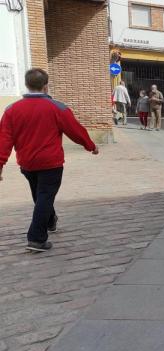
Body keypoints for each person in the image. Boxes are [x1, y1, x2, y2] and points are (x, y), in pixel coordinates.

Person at [0, 68, 99, 252]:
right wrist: (91, 146)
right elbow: (75, 131)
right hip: (50, 163)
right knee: (44, 196)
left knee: (41, 196)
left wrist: (0, 164)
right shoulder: (58, 108)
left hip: (27, 163)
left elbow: (4, 140)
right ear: (46, 86)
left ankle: (51, 220)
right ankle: (36, 239)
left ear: (26, 84)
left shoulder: (11, 110)